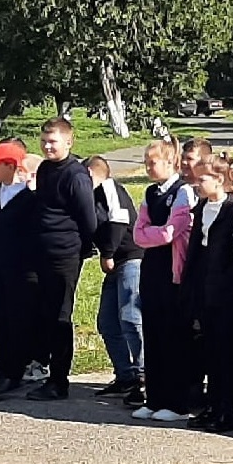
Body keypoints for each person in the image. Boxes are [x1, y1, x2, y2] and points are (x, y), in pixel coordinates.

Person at [28, 117, 97, 400]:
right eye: (44, 141)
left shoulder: (75, 175)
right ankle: (45, 369)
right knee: (44, 313)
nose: (47, 146)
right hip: (42, 253)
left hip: (65, 254)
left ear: (69, 142)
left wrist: (81, 249)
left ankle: (59, 380)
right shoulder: (45, 169)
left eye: (53, 141)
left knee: (59, 316)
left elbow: (88, 219)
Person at [131, 138, 196, 422]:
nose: (147, 167)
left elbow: (173, 231)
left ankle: (178, 402)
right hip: (152, 269)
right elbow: (137, 233)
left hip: (173, 271)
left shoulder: (183, 193)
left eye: (152, 162)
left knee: (174, 337)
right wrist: (154, 234)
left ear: (170, 162)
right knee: (153, 333)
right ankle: (154, 397)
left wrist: (153, 234)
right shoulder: (149, 192)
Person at [181, 154, 233, 434]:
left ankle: (226, 410)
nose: (197, 184)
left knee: (226, 351)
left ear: (219, 180)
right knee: (208, 350)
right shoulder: (202, 207)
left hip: (226, 290)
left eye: (203, 179)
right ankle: (213, 405)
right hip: (204, 287)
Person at [0, 140, 38, 401]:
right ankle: (1, 367)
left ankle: (14, 371)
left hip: (20, 270)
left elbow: (33, 238)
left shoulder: (29, 198)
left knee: (18, 321)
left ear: (10, 166)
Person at [87, 156, 144, 406]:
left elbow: (119, 219)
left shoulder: (109, 187)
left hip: (131, 258)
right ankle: (126, 375)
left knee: (131, 316)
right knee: (107, 322)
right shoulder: (90, 196)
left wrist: (108, 253)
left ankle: (144, 377)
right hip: (115, 262)